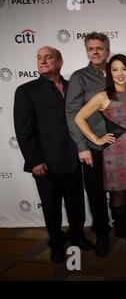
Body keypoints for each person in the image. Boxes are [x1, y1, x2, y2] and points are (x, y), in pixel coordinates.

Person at [13, 46, 94, 263]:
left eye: (48, 57)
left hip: (75, 158)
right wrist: (34, 161)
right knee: (51, 206)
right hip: (46, 162)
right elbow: (23, 130)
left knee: (76, 203)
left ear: (60, 62)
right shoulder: (26, 90)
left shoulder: (72, 87)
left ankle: (77, 237)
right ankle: (56, 243)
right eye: (39, 58)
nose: (42, 61)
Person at [74, 54, 126, 258]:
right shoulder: (102, 96)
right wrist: (96, 140)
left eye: (124, 69)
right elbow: (79, 118)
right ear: (109, 73)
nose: (120, 73)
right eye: (115, 69)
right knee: (119, 199)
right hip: (114, 154)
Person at [66, 32, 112, 256]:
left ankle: (118, 227)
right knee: (95, 193)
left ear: (107, 51)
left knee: (119, 191)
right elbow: (72, 113)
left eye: (99, 48)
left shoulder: (116, 73)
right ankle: (102, 233)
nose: (95, 52)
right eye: (90, 48)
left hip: (117, 146)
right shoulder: (79, 77)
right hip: (93, 147)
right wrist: (82, 147)